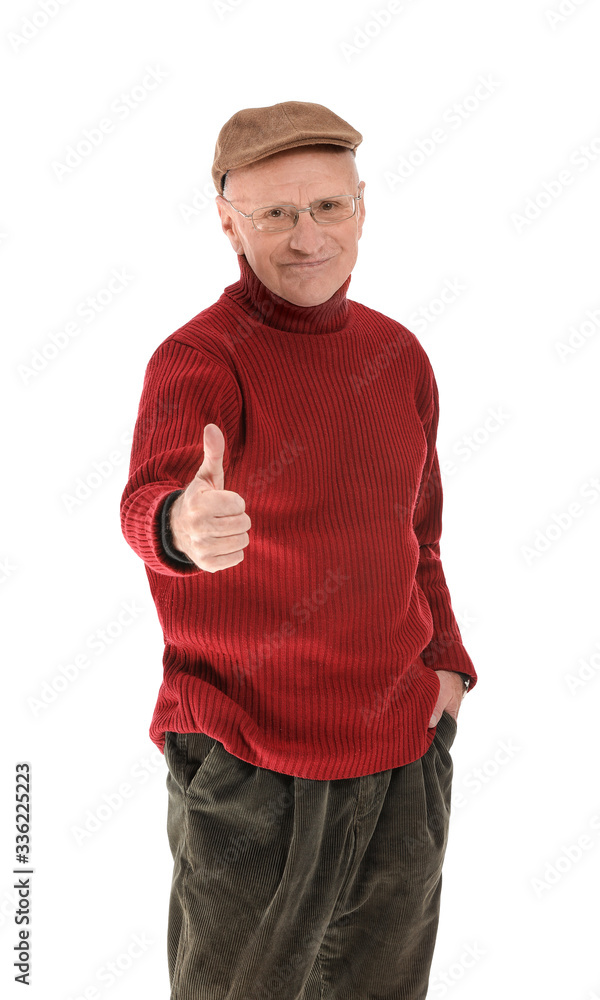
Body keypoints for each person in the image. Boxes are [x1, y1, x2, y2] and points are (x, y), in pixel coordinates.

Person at [120, 100, 478, 1000]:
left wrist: (447, 668)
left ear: (362, 206)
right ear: (228, 221)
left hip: (402, 758)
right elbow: (147, 504)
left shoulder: (399, 356)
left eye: (327, 207)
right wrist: (179, 526)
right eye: (275, 212)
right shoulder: (199, 359)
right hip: (251, 768)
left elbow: (420, 536)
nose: (306, 236)